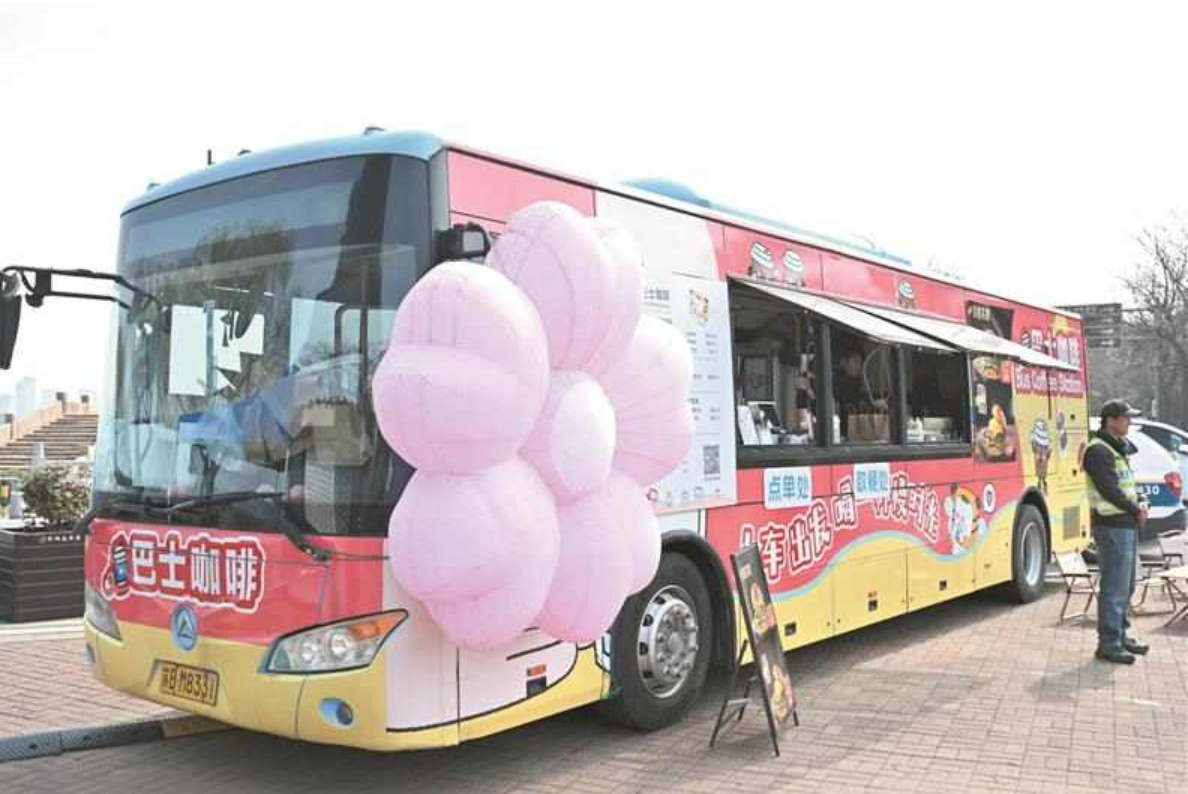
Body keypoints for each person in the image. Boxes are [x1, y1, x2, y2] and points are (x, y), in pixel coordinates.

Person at [1083, 399, 1150, 664]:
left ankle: (1121, 635)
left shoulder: (1115, 448)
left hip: (1124, 523)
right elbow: (1108, 489)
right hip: (1111, 525)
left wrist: (1140, 501)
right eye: (1125, 418)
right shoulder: (1098, 450)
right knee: (1114, 586)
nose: (1129, 422)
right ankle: (1109, 643)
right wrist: (1135, 509)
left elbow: (1127, 484)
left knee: (1126, 584)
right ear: (1110, 420)